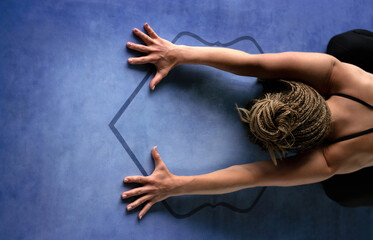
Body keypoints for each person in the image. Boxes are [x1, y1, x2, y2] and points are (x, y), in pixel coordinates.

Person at [122, 23, 373, 220]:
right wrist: (176, 53)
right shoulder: (339, 72)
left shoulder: (336, 159)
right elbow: (253, 63)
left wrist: (175, 186)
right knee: (346, 44)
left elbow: (252, 175)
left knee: (341, 193)